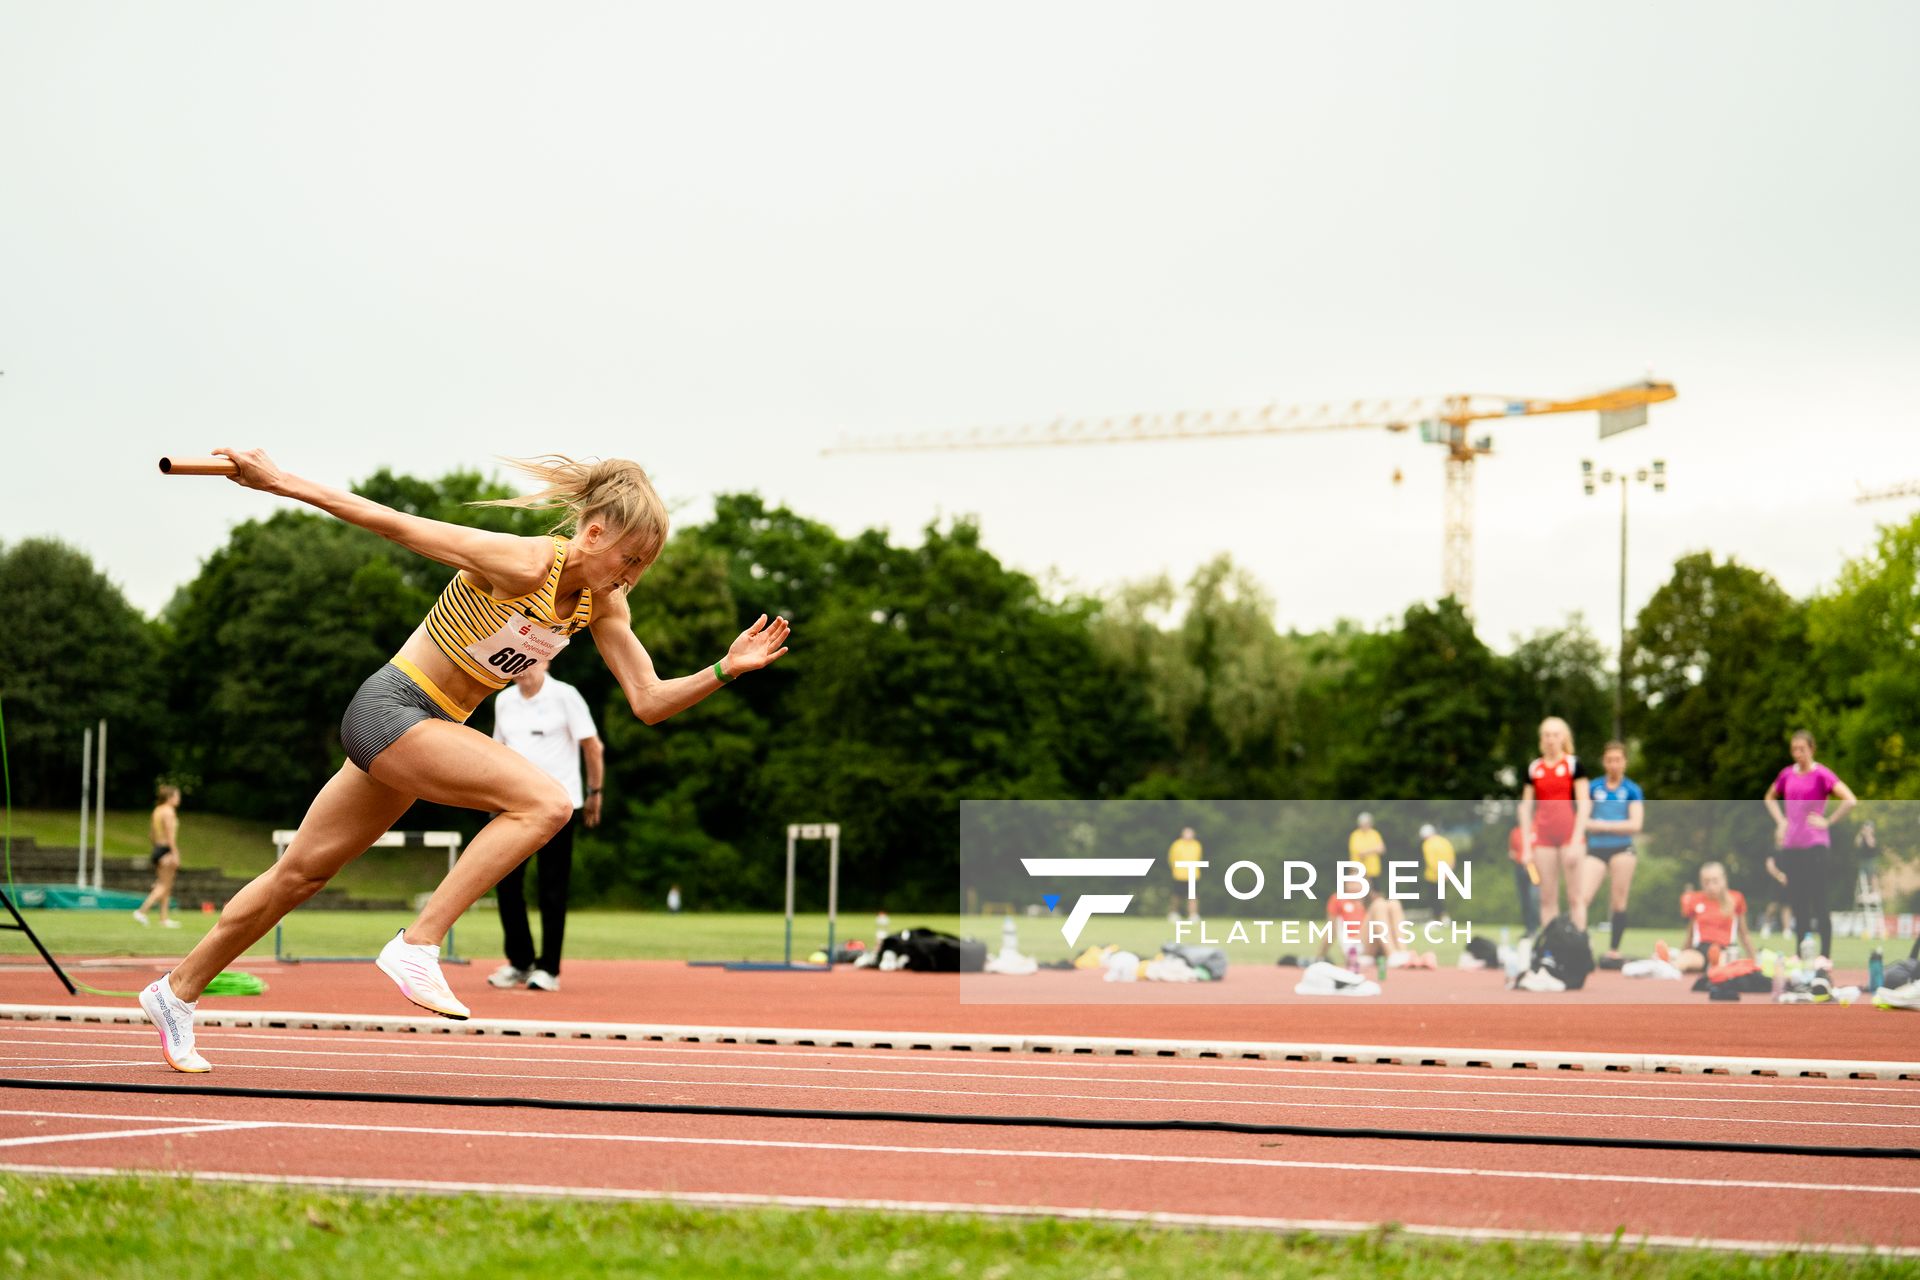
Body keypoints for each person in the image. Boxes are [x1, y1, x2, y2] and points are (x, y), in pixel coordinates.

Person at [140, 449, 790, 1073]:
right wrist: (278, 480)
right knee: (544, 802)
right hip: (392, 708)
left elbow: (648, 700)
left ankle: (176, 990)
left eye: (646, 565)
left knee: (299, 876)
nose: (633, 576)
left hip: (427, 729)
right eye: (630, 558)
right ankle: (417, 944)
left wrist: (724, 670)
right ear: (593, 533)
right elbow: (394, 523)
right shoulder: (526, 563)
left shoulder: (603, 603)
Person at [486, 657, 602, 993]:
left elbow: (592, 746)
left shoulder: (565, 696)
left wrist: (595, 792)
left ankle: (548, 968)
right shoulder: (504, 700)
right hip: (512, 806)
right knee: (506, 884)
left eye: (530, 660)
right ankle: (520, 962)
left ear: (548, 659)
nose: (522, 667)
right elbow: (496, 752)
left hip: (557, 806)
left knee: (552, 888)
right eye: (517, 660)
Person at [1763, 729, 1857, 963]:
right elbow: (1769, 797)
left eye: (1802, 749)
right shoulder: (1786, 774)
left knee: (1819, 900)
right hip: (1791, 846)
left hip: (1816, 846)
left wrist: (1828, 821)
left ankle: (1825, 955)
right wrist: (1781, 821)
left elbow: (1850, 800)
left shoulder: (1821, 775)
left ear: (1812, 749)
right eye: (1794, 749)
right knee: (1798, 902)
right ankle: (1799, 952)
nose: (1798, 754)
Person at [1517, 716, 1590, 930]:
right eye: (1546, 735)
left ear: (1564, 737)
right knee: (1547, 898)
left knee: (1575, 897)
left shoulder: (1573, 765)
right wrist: (1526, 847)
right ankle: (1551, 949)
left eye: (1555, 734)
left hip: (1570, 835)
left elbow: (1584, 804)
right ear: (1542, 739)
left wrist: (1577, 842)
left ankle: (1579, 946)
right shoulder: (1534, 769)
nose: (1550, 739)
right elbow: (1525, 808)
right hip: (1543, 837)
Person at [1583, 741, 1644, 962]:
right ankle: (1582, 942)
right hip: (1596, 849)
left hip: (1622, 848)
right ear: (1604, 762)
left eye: (1618, 760)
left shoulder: (1632, 790)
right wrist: (1610, 825)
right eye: (1609, 760)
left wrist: (1605, 825)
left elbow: (1635, 825)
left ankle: (1614, 949)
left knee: (1618, 901)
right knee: (1582, 897)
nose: (1614, 764)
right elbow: (1584, 819)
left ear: (1624, 762)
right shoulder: (1593, 787)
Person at [1655, 862, 1756, 974]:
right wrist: (1683, 952)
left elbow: (1744, 935)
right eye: (1706, 882)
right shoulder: (1696, 900)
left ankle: (1715, 965)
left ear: (1724, 879)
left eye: (1715, 881)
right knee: (1685, 959)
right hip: (1701, 948)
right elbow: (1691, 934)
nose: (1711, 886)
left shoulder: (1736, 899)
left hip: (1725, 949)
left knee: (1722, 961)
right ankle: (1668, 963)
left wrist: (1755, 960)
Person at [133, 785, 185, 929]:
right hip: (166, 849)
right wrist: (175, 853)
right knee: (163, 885)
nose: (178, 799)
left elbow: (152, 834)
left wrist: (157, 850)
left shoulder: (157, 811)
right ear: (170, 798)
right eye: (177, 796)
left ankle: (164, 918)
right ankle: (142, 911)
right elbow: (169, 834)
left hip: (158, 849)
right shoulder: (169, 812)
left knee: (166, 886)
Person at [1417, 823, 1455, 923]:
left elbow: (1431, 862)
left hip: (1433, 876)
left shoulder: (1427, 844)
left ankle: (1439, 920)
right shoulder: (1444, 841)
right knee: (1441, 898)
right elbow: (1452, 857)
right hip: (1446, 874)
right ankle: (1443, 919)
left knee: (1435, 900)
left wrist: (1441, 873)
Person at [1508, 823, 1540, 935]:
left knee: (1534, 898)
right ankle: (1529, 928)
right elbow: (1512, 850)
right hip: (1520, 867)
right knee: (1524, 899)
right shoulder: (1515, 832)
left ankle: (1536, 926)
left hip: (1534, 869)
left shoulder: (1537, 829)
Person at [1167, 827, 1204, 921]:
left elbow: (1198, 858)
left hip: (1193, 875)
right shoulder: (1177, 845)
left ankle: (1193, 915)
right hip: (1179, 875)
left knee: (1193, 896)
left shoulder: (1196, 845)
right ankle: (1173, 913)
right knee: (1176, 896)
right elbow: (1171, 859)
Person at [1348, 813, 1384, 882]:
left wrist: (1367, 851)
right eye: (1364, 823)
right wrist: (1374, 849)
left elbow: (1382, 849)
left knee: (1375, 892)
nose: (1366, 825)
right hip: (1359, 872)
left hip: (1374, 871)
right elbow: (1360, 853)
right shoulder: (1355, 835)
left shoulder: (1375, 834)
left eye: (1368, 823)